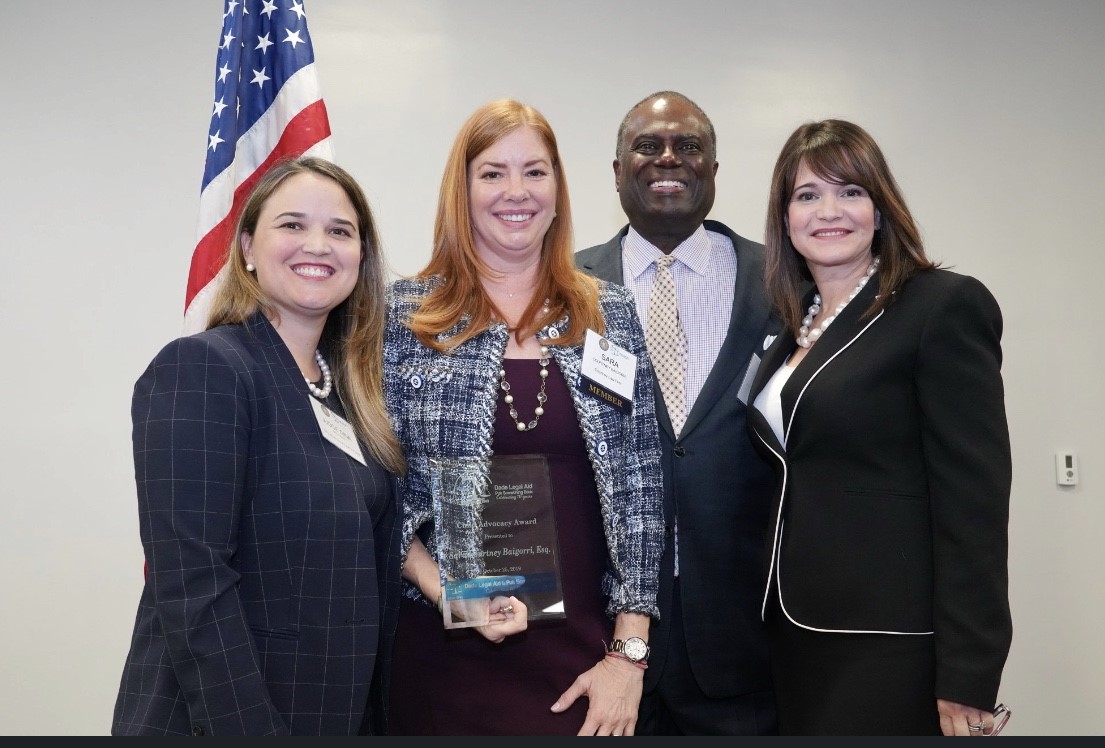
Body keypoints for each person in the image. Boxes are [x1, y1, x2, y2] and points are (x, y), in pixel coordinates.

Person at [383, 99, 664, 736]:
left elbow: (643, 490)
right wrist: (446, 591)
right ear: (462, 192)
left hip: (585, 662)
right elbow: (377, 493)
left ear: (558, 190)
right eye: (493, 173)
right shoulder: (404, 319)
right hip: (444, 653)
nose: (517, 191)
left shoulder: (609, 314)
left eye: (535, 172)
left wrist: (629, 654)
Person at [112, 157, 405, 736]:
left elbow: (363, 547)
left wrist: (462, 591)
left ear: (361, 256)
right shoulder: (205, 368)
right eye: (292, 224)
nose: (317, 245)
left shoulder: (351, 393)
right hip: (231, 719)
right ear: (247, 247)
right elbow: (192, 582)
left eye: (340, 230)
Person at [748, 119, 1012, 736]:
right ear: (785, 217)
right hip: (794, 630)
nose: (828, 211)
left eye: (850, 191)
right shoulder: (792, 325)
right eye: (807, 195)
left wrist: (969, 674)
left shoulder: (940, 306)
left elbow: (973, 506)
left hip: (892, 642)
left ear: (881, 207)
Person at [575, 90, 780, 735]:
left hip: (744, 639)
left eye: (688, 146)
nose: (669, 158)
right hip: (598, 637)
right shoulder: (565, 288)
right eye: (648, 145)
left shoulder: (781, 279)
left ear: (713, 170)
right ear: (617, 171)